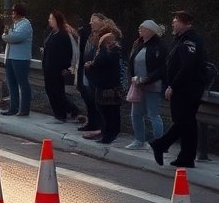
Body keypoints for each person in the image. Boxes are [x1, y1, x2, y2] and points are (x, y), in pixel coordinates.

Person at [151, 11, 208, 168]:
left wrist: (172, 85)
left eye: (176, 21)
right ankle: (186, 157)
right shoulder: (180, 40)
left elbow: (187, 67)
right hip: (183, 88)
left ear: (186, 23)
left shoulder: (191, 41)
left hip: (187, 89)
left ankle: (161, 144)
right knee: (188, 123)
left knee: (183, 121)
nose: (173, 23)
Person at [126, 19, 167, 150]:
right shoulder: (139, 44)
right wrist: (132, 79)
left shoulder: (159, 46)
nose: (140, 30)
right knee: (136, 114)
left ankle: (160, 143)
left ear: (150, 31)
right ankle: (139, 140)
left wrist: (148, 79)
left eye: (142, 28)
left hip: (152, 85)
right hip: (137, 85)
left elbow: (162, 67)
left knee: (153, 113)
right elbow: (131, 63)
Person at [42, 10, 80, 122]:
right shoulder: (52, 32)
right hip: (48, 67)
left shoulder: (63, 35)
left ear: (57, 20)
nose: (49, 20)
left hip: (57, 69)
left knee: (57, 92)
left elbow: (67, 53)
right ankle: (59, 112)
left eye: (51, 18)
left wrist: (65, 67)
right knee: (50, 90)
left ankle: (64, 112)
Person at [88, 31, 124, 145]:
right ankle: (108, 134)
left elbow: (100, 63)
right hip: (107, 86)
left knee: (108, 113)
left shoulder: (110, 52)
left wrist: (91, 65)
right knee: (108, 112)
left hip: (107, 87)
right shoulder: (112, 52)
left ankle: (108, 135)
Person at [1, 2, 33, 116]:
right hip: (10, 57)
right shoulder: (14, 24)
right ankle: (13, 107)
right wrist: (7, 35)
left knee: (23, 84)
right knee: (11, 84)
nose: (12, 14)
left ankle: (24, 109)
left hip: (21, 59)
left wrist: (7, 35)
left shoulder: (25, 24)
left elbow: (14, 37)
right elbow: (5, 35)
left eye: (14, 11)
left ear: (19, 12)